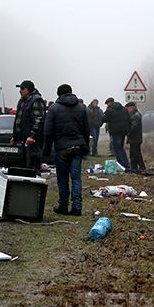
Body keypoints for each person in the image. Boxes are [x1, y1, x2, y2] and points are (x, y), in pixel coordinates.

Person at [43, 83, 90, 215]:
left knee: (62, 178)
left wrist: (46, 151)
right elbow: (87, 130)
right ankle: (77, 207)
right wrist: (85, 146)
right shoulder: (81, 108)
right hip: (77, 147)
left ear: (58, 94)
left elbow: (48, 131)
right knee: (76, 178)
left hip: (62, 148)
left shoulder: (54, 109)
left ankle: (63, 206)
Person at [11, 79, 46, 170]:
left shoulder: (36, 100)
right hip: (23, 140)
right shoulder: (22, 101)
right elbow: (19, 119)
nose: (20, 91)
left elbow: (38, 119)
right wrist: (15, 136)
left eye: (22, 88)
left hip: (32, 141)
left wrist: (32, 135)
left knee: (32, 165)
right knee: (24, 166)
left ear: (29, 89)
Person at [102, 97, 131, 170]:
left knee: (117, 148)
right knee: (121, 147)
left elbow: (104, 119)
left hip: (115, 131)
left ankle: (122, 165)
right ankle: (126, 164)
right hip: (124, 131)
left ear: (109, 103)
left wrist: (104, 114)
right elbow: (129, 119)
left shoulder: (110, 110)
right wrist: (128, 130)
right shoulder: (124, 109)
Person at [126, 102, 144, 172]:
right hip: (134, 138)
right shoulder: (133, 114)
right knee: (133, 153)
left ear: (132, 107)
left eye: (128, 108)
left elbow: (133, 127)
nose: (127, 110)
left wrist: (127, 131)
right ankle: (134, 167)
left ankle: (142, 167)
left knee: (136, 153)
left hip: (135, 138)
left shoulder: (136, 115)